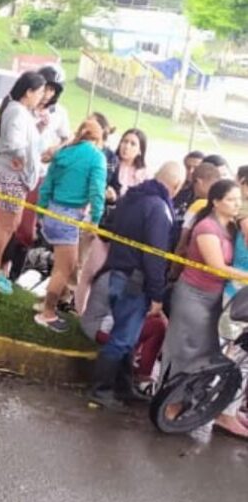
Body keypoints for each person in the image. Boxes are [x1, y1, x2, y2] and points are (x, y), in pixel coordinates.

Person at [86, 161, 183, 409]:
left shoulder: (133, 197)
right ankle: (101, 389)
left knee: (127, 336)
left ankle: (123, 386)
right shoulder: (159, 209)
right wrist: (157, 293)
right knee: (123, 337)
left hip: (118, 270)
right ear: (177, 185)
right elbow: (155, 254)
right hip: (136, 279)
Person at [159, 179, 248, 437]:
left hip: (211, 298)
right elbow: (217, 266)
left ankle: (183, 402)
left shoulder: (229, 227)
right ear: (216, 201)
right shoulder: (207, 227)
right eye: (231, 200)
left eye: (237, 200)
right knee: (185, 351)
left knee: (202, 353)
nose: (236, 204)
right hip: (193, 297)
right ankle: (170, 406)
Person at [35, 119, 107, 332]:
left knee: (62, 265)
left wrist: (41, 211)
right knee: (64, 269)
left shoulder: (64, 152)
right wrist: (95, 219)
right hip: (69, 217)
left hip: (52, 211)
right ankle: (47, 313)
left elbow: (47, 184)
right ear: (98, 138)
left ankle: (45, 303)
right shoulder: (97, 158)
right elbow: (97, 192)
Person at [0, 72, 47, 293]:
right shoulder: (17, 111)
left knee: (12, 223)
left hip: (17, 175)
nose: (41, 97)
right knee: (5, 223)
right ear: (28, 92)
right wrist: (21, 158)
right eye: (39, 93)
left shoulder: (21, 112)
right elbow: (14, 142)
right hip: (11, 173)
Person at [36, 64, 72, 163]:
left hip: (40, 168)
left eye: (51, 90)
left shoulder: (59, 113)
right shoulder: (26, 106)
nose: (47, 94)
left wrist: (56, 150)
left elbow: (67, 138)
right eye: (45, 88)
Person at [107, 129, 148, 202]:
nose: (127, 146)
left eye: (133, 144)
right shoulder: (111, 163)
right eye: (125, 141)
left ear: (140, 151)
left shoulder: (144, 174)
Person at [172, 150, 205, 222]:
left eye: (195, 168)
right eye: (188, 167)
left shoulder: (204, 194)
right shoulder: (175, 187)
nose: (191, 171)